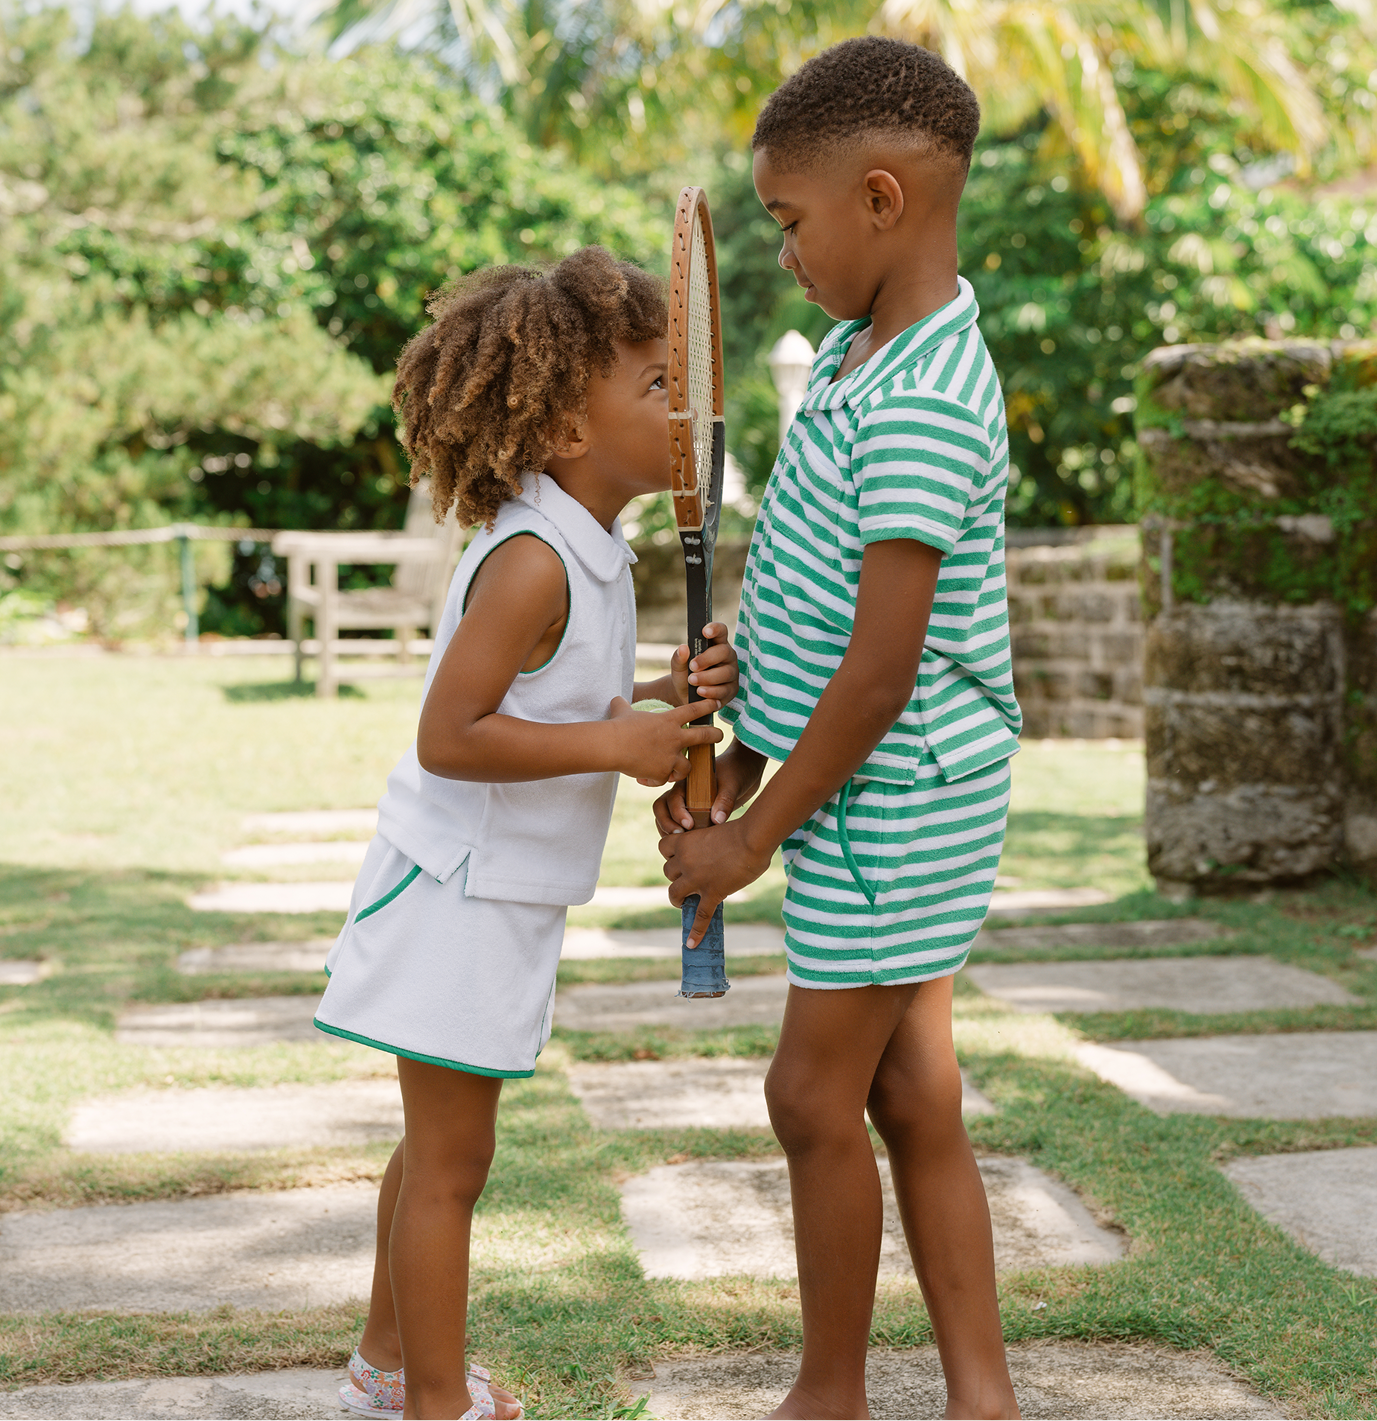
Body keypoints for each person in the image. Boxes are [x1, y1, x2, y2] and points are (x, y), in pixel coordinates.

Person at [655, 37, 1023, 1421]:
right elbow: (818, 624)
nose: (787, 255)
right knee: (913, 1095)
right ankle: (978, 1396)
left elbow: (881, 672)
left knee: (812, 1100)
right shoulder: (868, 363)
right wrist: (738, 719)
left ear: (882, 198)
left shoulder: (926, 396)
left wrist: (750, 833)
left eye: (792, 223)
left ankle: (830, 1394)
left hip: (901, 792)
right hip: (867, 786)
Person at [315, 246, 738, 1421]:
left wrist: (642, 715)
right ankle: (434, 1401)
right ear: (561, 423)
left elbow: (546, 710)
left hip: (494, 891)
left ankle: (385, 1367)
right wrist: (613, 748)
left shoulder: (585, 546)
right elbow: (451, 733)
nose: (685, 408)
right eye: (658, 388)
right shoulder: (532, 561)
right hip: (456, 889)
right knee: (453, 1163)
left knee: (434, 1144)